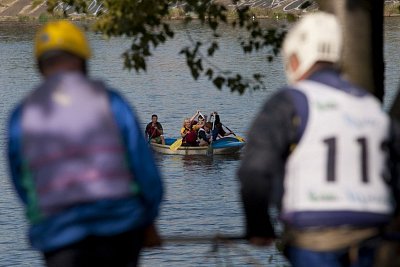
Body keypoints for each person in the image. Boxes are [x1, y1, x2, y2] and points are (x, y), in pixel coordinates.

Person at [238, 12, 400, 267]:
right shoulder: (371, 106)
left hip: (316, 233)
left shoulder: (291, 100)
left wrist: (258, 224)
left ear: (295, 59)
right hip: (374, 231)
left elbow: (255, 169)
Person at [7, 20, 163, 267]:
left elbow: (22, 182)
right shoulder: (112, 103)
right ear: (83, 58)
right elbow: (145, 170)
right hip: (120, 232)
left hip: (59, 238)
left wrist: (44, 217)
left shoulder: (21, 116)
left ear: (39, 65)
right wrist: (149, 220)